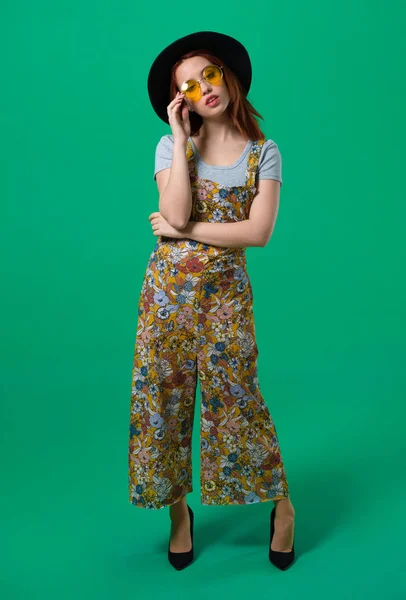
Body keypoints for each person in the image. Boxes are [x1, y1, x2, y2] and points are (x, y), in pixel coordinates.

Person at [128, 31, 295, 571]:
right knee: (162, 404)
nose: (205, 88)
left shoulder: (263, 152)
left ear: (228, 76)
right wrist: (179, 140)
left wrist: (189, 230)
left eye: (210, 74)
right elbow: (171, 214)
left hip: (226, 298)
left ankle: (283, 507)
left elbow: (258, 232)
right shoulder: (168, 146)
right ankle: (179, 515)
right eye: (189, 86)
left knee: (237, 399)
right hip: (167, 297)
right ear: (182, 100)